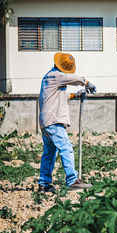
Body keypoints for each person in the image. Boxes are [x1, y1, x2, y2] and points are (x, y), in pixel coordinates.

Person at [38, 52, 96, 192]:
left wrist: (76, 95)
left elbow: (61, 97)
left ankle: (44, 183)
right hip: (54, 121)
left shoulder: (50, 78)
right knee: (66, 147)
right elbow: (73, 78)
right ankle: (72, 180)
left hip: (47, 122)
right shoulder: (56, 76)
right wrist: (86, 83)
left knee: (49, 153)